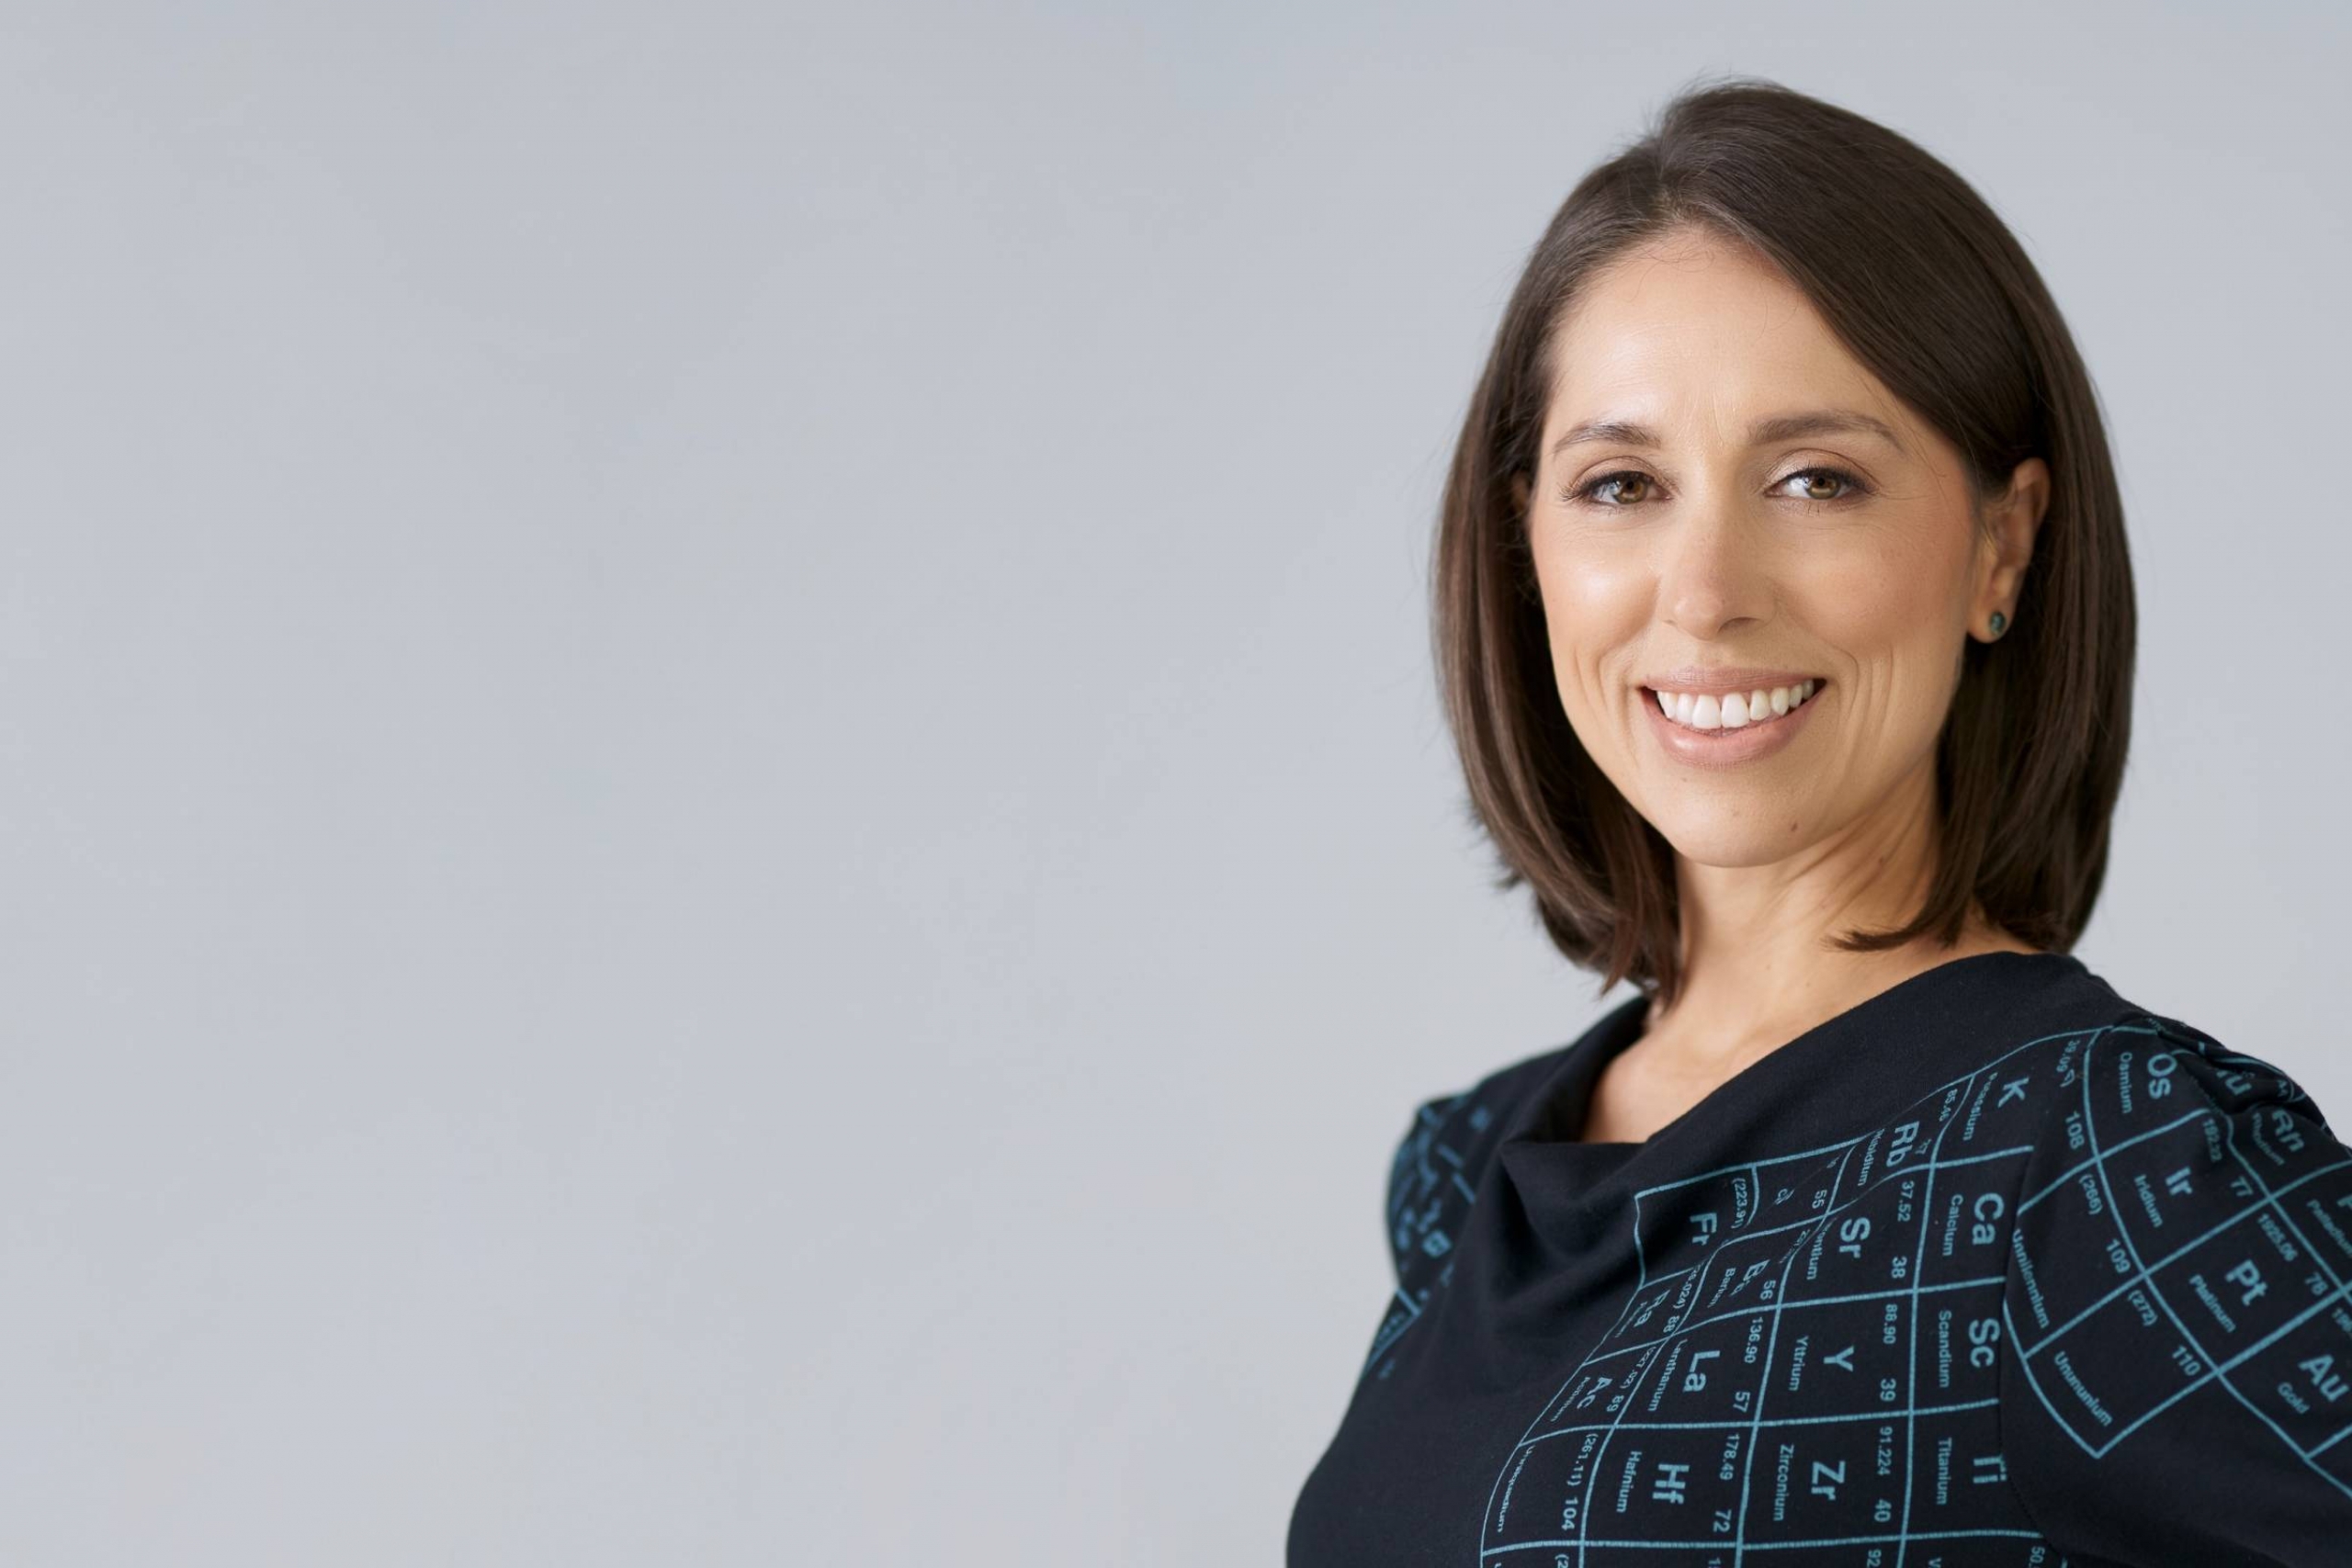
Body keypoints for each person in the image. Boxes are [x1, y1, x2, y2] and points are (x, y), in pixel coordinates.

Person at [1287, 76, 2352, 1566]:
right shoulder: (1467, 1173)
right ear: (1524, 546)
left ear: (2003, 542)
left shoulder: (2098, 1168)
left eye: (1815, 479)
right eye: (1620, 483)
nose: (1707, 588)